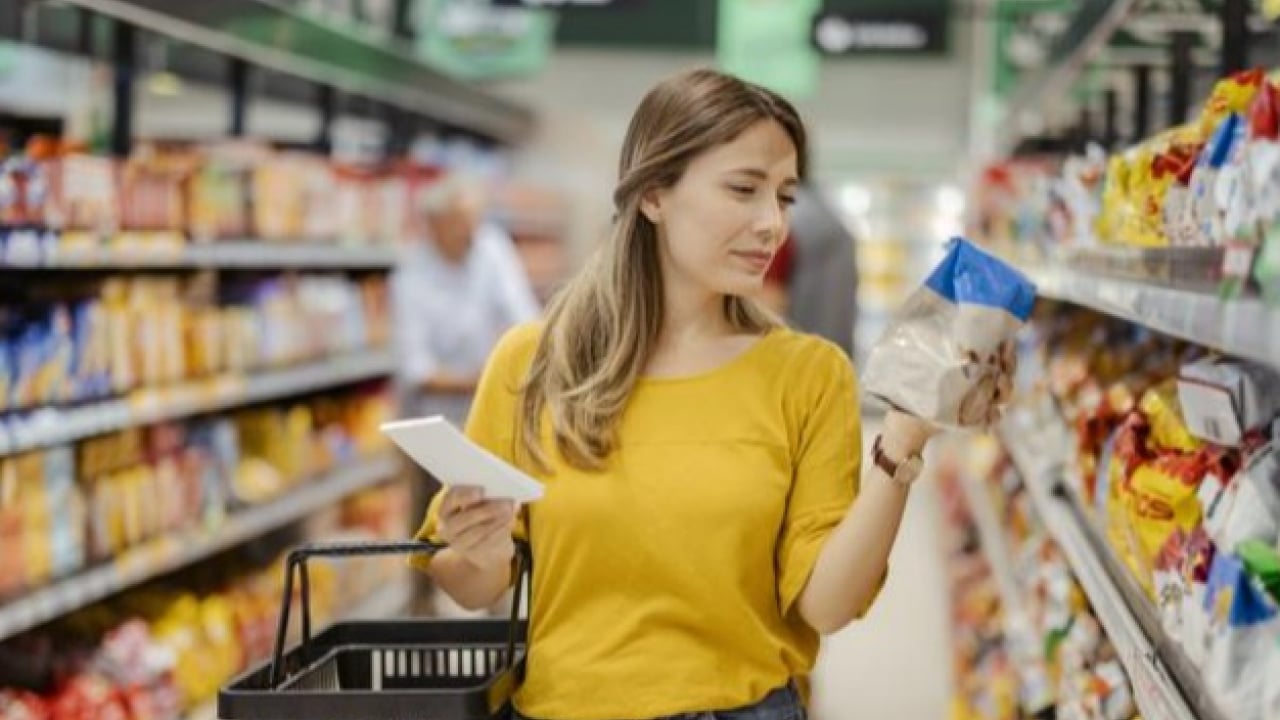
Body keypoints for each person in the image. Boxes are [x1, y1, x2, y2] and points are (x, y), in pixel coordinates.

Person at [409, 69, 1013, 720]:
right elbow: (470, 585)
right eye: (743, 189)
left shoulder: (807, 373)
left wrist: (901, 447)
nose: (772, 225)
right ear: (653, 194)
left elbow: (827, 605)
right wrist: (480, 549)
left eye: (784, 197)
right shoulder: (535, 363)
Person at [392, 172, 541, 427]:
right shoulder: (411, 276)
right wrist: (482, 381)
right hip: (437, 420)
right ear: (435, 224)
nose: (471, 231)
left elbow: (524, 316)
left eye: (475, 220)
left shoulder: (491, 247)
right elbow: (417, 369)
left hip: (493, 409)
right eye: (460, 222)